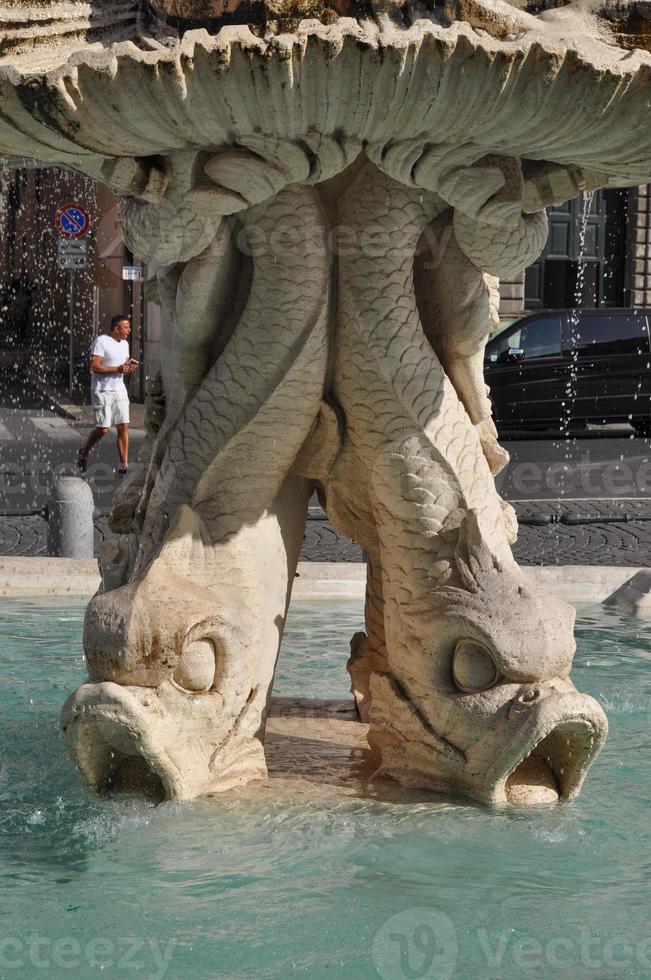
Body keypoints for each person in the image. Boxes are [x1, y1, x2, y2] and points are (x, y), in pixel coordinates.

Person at [77, 314, 137, 476]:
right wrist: (117, 369)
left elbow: (122, 365)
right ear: (116, 329)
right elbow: (95, 366)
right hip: (102, 390)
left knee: (123, 426)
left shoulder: (124, 344)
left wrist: (127, 367)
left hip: (119, 389)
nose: (129, 330)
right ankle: (84, 452)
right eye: (126, 327)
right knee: (103, 429)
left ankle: (124, 466)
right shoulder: (101, 341)